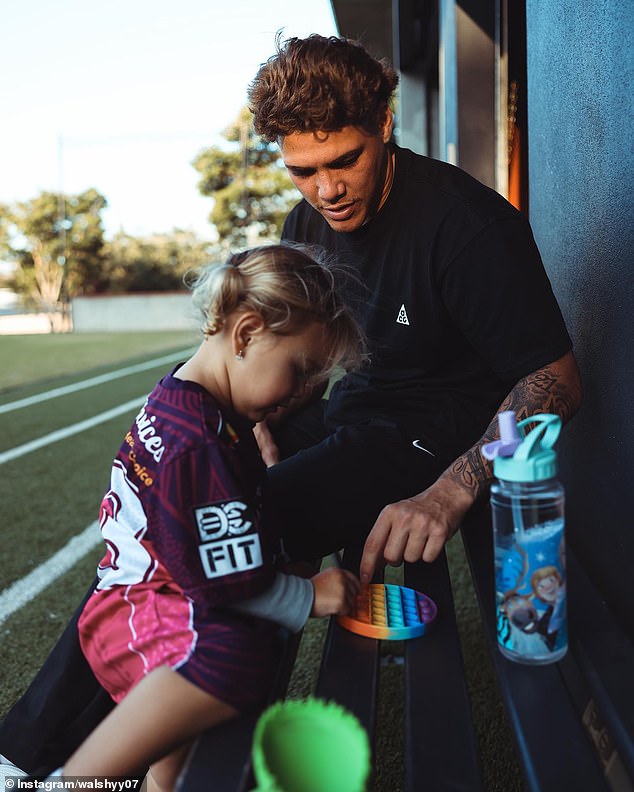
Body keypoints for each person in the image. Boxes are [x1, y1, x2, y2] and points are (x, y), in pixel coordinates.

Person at [0, 33, 582, 774]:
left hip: (428, 437)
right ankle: (36, 754)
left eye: (345, 161)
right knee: (160, 516)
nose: (326, 188)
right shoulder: (306, 224)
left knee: (221, 531)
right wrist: (249, 422)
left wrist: (450, 492)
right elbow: (291, 351)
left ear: (384, 125)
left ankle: (48, 758)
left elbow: (557, 379)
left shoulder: (468, 228)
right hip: (351, 410)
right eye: (303, 170)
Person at [36, 243, 363, 788]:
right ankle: (72, 782)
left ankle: (162, 783)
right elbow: (221, 582)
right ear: (246, 334)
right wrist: (309, 595)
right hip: (141, 608)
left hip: (154, 590)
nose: (305, 392)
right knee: (232, 657)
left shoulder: (189, 399)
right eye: (300, 369)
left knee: (235, 654)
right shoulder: (199, 442)